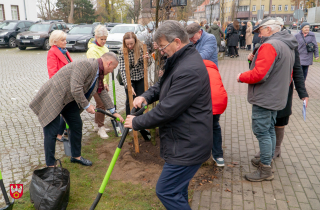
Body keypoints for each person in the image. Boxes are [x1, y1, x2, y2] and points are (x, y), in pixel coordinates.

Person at [124, 20, 212, 209]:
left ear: (177, 42)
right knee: (178, 190)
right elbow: (163, 84)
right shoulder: (180, 61)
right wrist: (146, 97)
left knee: (166, 190)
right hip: (183, 140)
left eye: (163, 46)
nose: (161, 51)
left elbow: (168, 110)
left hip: (188, 145)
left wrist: (137, 122)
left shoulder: (189, 69)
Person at [29, 52, 124, 167]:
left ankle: (76, 157)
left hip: (69, 100)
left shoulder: (98, 72)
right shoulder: (86, 65)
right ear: (109, 63)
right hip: (55, 97)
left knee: (76, 125)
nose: (111, 71)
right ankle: (50, 165)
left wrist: (114, 112)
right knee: (51, 132)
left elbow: (102, 91)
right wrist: (87, 105)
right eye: (113, 68)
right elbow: (76, 88)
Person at [237, 18, 297, 182]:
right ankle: (267, 159)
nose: (259, 35)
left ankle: (265, 169)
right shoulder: (287, 44)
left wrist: (241, 77)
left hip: (266, 97)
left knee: (262, 132)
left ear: (269, 29)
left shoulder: (270, 46)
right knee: (269, 129)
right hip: (277, 96)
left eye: (260, 31)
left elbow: (260, 74)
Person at [253, 21, 309, 160]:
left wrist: (303, 93)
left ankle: (276, 148)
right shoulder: (265, 43)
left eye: (262, 31)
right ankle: (267, 150)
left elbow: (297, 70)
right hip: (269, 88)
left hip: (285, 87)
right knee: (268, 121)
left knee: (281, 119)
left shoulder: (290, 44)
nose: (260, 35)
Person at [47, 30, 73, 142]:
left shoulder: (64, 51)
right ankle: (58, 134)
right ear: (55, 41)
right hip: (61, 85)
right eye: (62, 40)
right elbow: (52, 71)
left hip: (69, 84)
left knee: (69, 109)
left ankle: (64, 131)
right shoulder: (52, 52)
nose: (65, 42)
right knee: (64, 110)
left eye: (65, 39)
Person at [86, 25, 111, 139]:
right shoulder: (92, 50)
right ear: (96, 37)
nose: (104, 41)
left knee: (101, 103)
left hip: (104, 81)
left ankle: (97, 125)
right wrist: (103, 82)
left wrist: (106, 82)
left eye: (105, 39)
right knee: (101, 104)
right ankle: (101, 128)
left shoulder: (105, 48)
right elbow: (97, 68)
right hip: (95, 81)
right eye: (101, 39)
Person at [118, 32, 151, 116]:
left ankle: (139, 122)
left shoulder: (141, 48)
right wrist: (128, 85)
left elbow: (148, 64)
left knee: (140, 99)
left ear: (135, 41)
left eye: (131, 43)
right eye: (127, 44)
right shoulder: (122, 51)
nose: (129, 46)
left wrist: (147, 59)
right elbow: (123, 70)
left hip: (140, 77)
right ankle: (130, 123)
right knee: (130, 100)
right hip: (130, 78)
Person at [204, 59, 228, 167]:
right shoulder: (213, 68)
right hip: (220, 101)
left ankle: (200, 154)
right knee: (214, 126)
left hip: (207, 102)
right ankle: (218, 156)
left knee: (200, 126)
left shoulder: (194, 68)